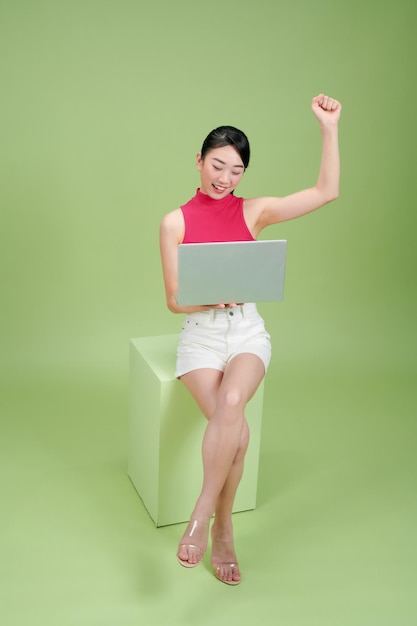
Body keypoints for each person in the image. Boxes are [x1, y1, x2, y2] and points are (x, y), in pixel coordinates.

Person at [159, 94, 342, 585]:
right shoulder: (174, 221)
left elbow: (326, 192)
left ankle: (202, 514)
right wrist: (209, 301)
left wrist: (329, 128)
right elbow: (174, 300)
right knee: (235, 432)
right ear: (198, 161)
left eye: (236, 170)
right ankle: (223, 530)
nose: (225, 178)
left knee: (233, 401)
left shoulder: (255, 211)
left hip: (246, 331)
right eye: (217, 165)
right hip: (199, 336)